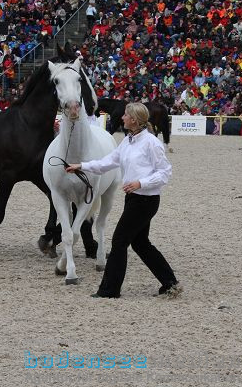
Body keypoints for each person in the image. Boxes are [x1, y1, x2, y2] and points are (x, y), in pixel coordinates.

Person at [65, 103, 180, 299]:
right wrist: (81, 166)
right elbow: (107, 162)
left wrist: (140, 183)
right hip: (134, 199)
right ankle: (170, 283)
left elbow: (165, 172)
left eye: (126, 115)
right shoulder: (128, 141)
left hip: (146, 201)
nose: (122, 117)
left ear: (134, 120)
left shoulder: (151, 142)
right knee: (140, 243)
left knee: (119, 240)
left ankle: (109, 290)